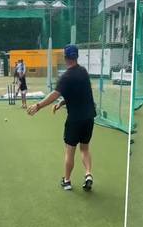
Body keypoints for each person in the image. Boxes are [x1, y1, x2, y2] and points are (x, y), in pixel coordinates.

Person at [27, 45, 96, 192]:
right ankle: (88, 174)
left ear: (65, 58)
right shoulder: (83, 72)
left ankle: (67, 181)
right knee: (84, 148)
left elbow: (54, 94)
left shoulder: (66, 77)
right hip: (89, 117)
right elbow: (79, 93)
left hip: (75, 119)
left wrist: (38, 106)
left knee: (69, 150)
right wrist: (63, 102)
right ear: (76, 57)